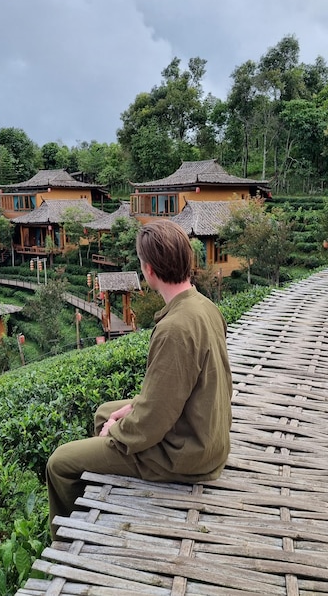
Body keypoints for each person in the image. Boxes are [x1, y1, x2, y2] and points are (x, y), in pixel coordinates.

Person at [46, 219, 233, 539]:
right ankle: (105, 496)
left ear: (148, 271)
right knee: (105, 410)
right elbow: (174, 393)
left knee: (60, 463)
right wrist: (124, 413)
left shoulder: (175, 328)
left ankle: (69, 536)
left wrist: (117, 432)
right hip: (208, 434)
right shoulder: (204, 307)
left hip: (188, 454)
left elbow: (153, 421)